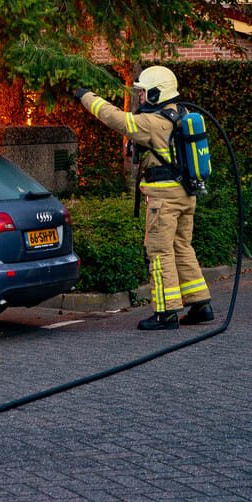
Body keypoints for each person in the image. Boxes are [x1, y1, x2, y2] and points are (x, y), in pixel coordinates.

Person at [74, 66, 213, 330]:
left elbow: (116, 119)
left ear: (155, 94)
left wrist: (86, 97)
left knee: (159, 252)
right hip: (186, 194)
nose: (140, 98)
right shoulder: (180, 114)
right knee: (182, 247)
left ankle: (166, 313)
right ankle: (200, 304)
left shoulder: (152, 123)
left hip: (164, 199)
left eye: (144, 93)